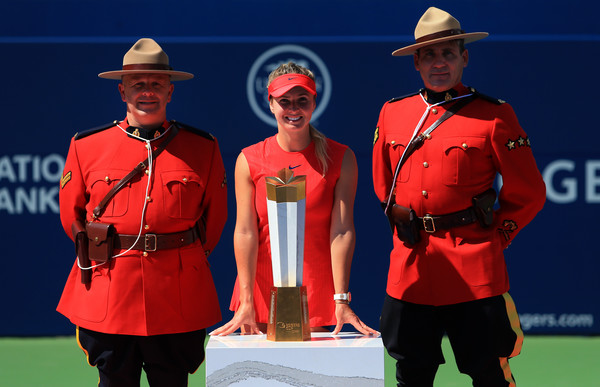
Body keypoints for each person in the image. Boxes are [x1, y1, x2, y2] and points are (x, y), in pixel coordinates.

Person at [372, 7, 546, 387]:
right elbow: (384, 188)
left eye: (448, 53)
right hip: (412, 268)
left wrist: (498, 236)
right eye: (430, 54)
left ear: (464, 58)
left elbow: (529, 191)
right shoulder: (393, 113)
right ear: (416, 61)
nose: (439, 63)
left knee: (488, 372)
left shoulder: (494, 115)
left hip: (475, 267)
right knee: (411, 373)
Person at [57, 38, 227, 386]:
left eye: (156, 84)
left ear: (170, 92)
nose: (147, 92)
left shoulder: (202, 147)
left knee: (172, 380)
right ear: (122, 92)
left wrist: (183, 255)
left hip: (176, 291)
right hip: (112, 288)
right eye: (138, 85)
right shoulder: (86, 146)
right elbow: (71, 215)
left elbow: (216, 219)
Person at [211, 62, 377, 336]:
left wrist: (341, 299)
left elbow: (342, 230)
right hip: (260, 298)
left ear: (314, 102)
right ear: (271, 104)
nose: (294, 109)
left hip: (319, 298)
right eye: (284, 101)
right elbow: (245, 231)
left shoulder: (342, 157)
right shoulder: (249, 159)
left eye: (302, 100)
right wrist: (246, 301)